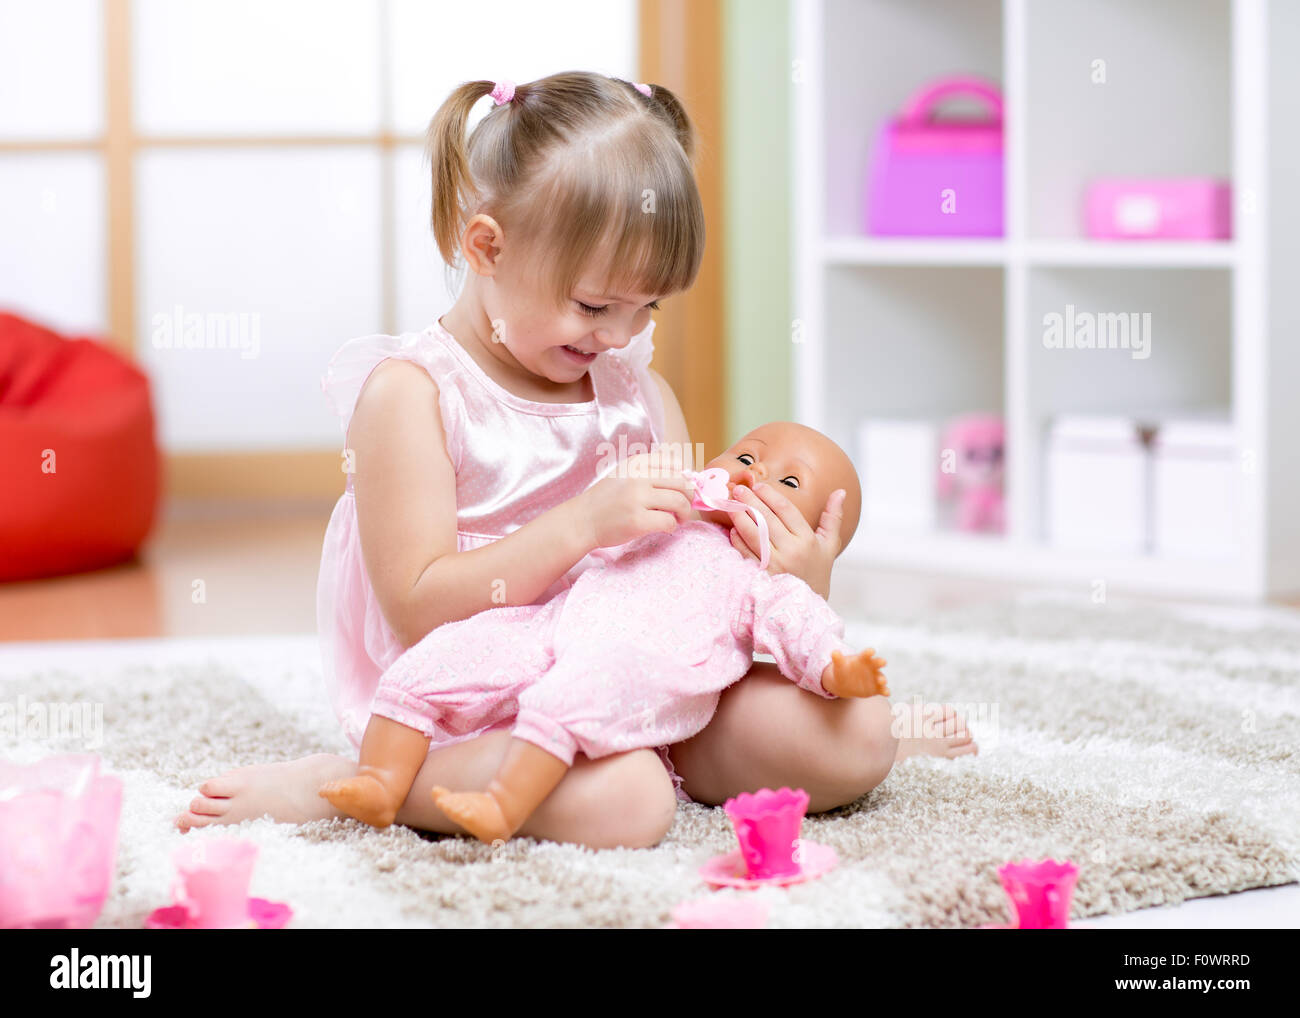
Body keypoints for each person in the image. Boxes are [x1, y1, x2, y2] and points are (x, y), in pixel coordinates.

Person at [175, 72, 975, 847]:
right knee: (630, 804)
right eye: (595, 306)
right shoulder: (412, 396)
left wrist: (795, 582)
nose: (621, 335)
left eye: (646, 307)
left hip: (636, 680)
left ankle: (651, 747)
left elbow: (690, 573)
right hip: (481, 699)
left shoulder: (637, 392)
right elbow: (418, 608)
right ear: (486, 247)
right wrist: (581, 525)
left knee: (860, 735)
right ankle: (348, 779)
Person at [320, 422, 890, 842]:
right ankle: (374, 778)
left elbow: (800, 625)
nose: (755, 473)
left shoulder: (759, 583)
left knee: (867, 728)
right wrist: (615, 509)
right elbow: (593, 552)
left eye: (788, 482)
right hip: (551, 621)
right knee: (451, 655)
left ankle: (502, 803)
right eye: (747, 455)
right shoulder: (666, 517)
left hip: (633, 669)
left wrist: (835, 658)